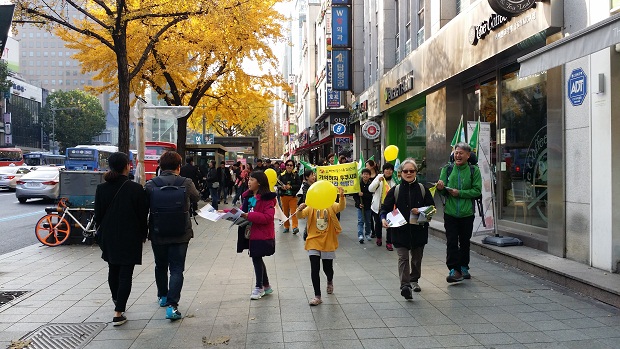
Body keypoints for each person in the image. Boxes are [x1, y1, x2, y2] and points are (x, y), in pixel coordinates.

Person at [145, 151, 200, 320]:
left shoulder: (151, 184)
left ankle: (162, 296)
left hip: (158, 232)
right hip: (181, 233)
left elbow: (144, 205)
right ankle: (172, 306)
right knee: (177, 269)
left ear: (160, 167)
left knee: (160, 265)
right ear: (179, 166)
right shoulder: (186, 182)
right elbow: (196, 197)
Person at [95, 152, 148, 327]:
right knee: (126, 273)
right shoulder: (135, 189)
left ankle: (117, 299)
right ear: (127, 166)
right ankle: (118, 311)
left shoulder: (102, 188)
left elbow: (98, 216)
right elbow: (142, 216)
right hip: (130, 236)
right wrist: (143, 234)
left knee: (113, 269)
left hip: (109, 236)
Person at [380, 158, 435, 299]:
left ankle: (414, 279)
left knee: (416, 259)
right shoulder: (395, 190)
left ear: (416, 172)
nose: (409, 173)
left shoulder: (423, 189)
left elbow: (432, 209)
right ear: (401, 173)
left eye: (412, 170)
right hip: (400, 231)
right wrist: (383, 219)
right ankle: (405, 286)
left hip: (419, 231)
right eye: (406, 171)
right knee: (403, 258)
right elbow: (384, 208)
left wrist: (421, 210)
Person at [436, 142, 482, 283]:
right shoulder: (447, 169)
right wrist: (440, 187)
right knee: (451, 242)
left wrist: (460, 193)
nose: (458, 155)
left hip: (467, 213)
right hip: (450, 212)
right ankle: (454, 270)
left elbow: (477, 190)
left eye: (461, 153)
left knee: (464, 242)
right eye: (456, 152)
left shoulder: (474, 170)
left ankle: (463, 267)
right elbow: (442, 190)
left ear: (468, 155)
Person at [297, 187, 346, 306]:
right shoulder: (312, 206)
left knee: (327, 268)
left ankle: (329, 280)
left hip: (328, 241)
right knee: (315, 269)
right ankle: (317, 296)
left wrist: (342, 196)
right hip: (313, 241)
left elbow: (341, 207)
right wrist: (299, 209)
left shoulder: (331, 205)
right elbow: (300, 216)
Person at [236, 171, 277, 300]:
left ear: (259, 182)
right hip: (249, 232)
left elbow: (268, 217)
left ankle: (259, 287)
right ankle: (266, 286)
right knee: (257, 257)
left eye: (252, 179)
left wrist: (250, 215)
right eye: (249, 179)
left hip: (262, 233)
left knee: (256, 257)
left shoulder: (268, 198)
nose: (249, 182)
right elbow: (242, 212)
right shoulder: (247, 197)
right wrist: (224, 213)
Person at [369, 162, 397, 249]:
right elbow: (370, 189)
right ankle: (379, 238)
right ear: (383, 170)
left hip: (390, 206)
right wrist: (378, 181)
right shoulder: (379, 177)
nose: (388, 171)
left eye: (390, 170)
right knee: (378, 223)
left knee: (390, 225)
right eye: (387, 169)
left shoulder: (394, 181)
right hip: (378, 206)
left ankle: (389, 242)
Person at [278, 159, 302, 234]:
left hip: (292, 196)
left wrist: (291, 187)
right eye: (288, 165)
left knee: (293, 212)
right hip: (284, 196)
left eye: (291, 165)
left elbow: (298, 185)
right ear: (285, 166)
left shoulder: (296, 175)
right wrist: (282, 187)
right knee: (285, 212)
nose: (289, 166)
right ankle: (286, 226)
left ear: (293, 166)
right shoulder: (281, 175)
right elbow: (277, 185)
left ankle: (295, 227)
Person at [354, 168, 373, 243]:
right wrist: (359, 203)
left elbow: (371, 196)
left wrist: (363, 195)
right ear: (361, 175)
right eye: (364, 174)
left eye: (367, 174)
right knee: (360, 221)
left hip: (368, 206)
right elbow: (355, 196)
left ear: (369, 176)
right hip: (360, 206)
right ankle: (360, 235)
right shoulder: (358, 184)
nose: (365, 175)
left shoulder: (371, 185)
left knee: (368, 221)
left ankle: (368, 234)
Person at [297, 169, 316, 241]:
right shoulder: (305, 187)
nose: (314, 177)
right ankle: (306, 233)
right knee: (310, 220)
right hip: (309, 206)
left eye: (314, 175)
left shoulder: (316, 185)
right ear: (307, 177)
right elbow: (305, 198)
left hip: (316, 205)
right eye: (312, 175)